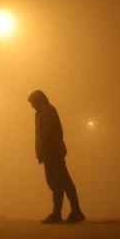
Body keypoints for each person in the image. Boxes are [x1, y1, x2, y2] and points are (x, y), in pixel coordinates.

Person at [28, 90, 85, 224]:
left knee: (63, 181)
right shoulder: (43, 112)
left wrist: (44, 149)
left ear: (39, 100)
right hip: (50, 153)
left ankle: (73, 211)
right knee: (56, 183)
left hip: (52, 153)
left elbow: (46, 133)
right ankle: (60, 213)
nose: (32, 106)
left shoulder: (47, 112)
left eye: (33, 102)